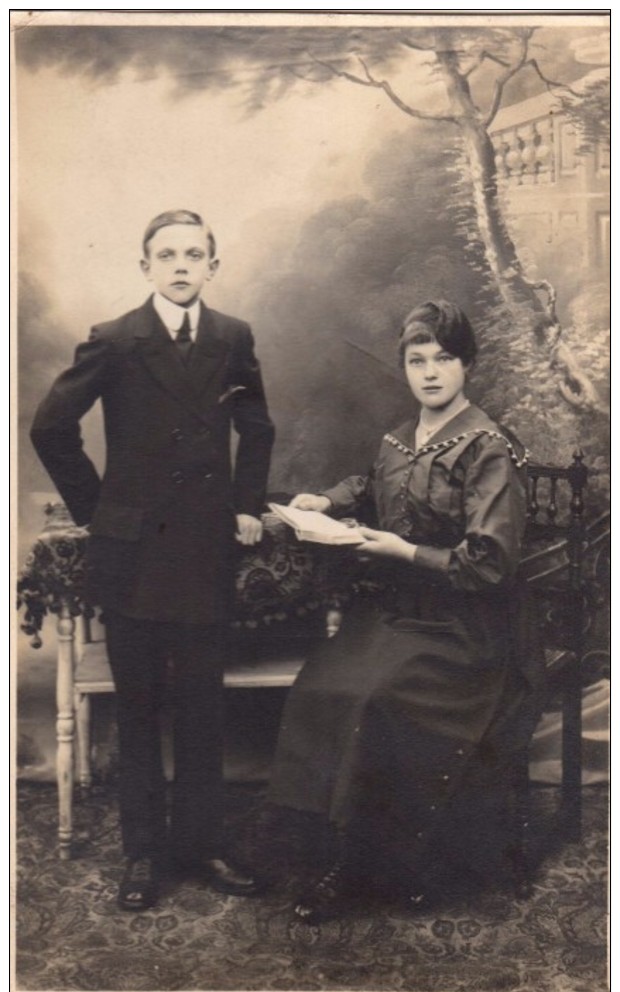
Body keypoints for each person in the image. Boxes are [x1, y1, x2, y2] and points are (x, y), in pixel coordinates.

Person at [268, 299, 544, 923]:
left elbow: (489, 563)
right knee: (324, 681)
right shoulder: (400, 437)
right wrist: (326, 499)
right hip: (399, 614)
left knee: (376, 698)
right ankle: (329, 845)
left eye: (444, 358)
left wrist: (403, 550)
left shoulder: (487, 446)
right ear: (405, 367)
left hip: (468, 629)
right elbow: (369, 486)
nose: (430, 372)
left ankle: (374, 866)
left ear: (466, 365)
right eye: (417, 360)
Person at [31, 209, 275, 911]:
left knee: (202, 705)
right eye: (165, 254)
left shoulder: (233, 338)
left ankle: (202, 844)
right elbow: (50, 427)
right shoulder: (114, 339)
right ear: (145, 268)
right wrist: (98, 512)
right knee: (137, 709)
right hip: (131, 556)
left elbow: (257, 429)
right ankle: (143, 855)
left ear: (212, 266)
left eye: (193, 254)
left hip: (204, 550)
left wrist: (249, 505)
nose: (179, 266)